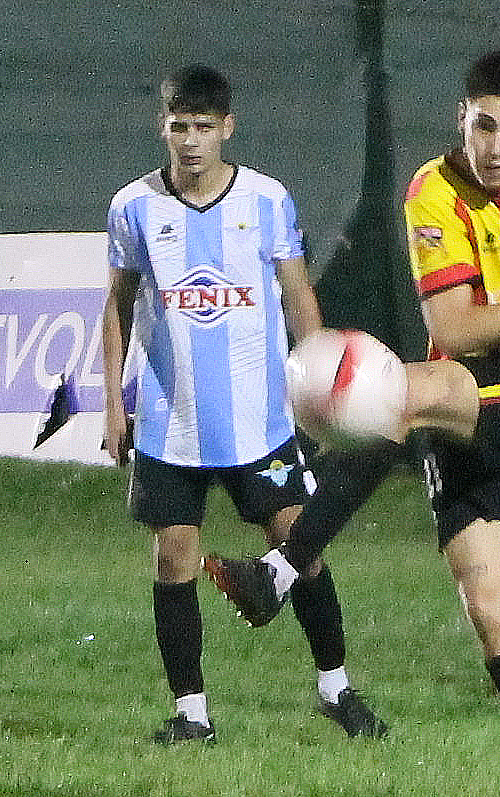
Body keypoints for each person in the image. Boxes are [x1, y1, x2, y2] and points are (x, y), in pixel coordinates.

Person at [204, 49, 500, 797]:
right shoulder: (433, 195)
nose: (496, 147)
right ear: (460, 119)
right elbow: (455, 327)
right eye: (483, 126)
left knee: (403, 394)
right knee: (493, 611)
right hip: (462, 389)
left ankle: (280, 569)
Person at [100, 66, 387, 744]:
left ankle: (335, 689)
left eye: (203, 127)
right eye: (179, 127)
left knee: (300, 547)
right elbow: (116, 306)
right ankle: (192, 715)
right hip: (171, 421)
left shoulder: (266, 200)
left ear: (227, 128)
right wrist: (113, 403)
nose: (190, 141)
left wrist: (320, 387)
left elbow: (297, 295)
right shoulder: (133, 207)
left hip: (260, 421)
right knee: (174, 559)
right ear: (163, 128)